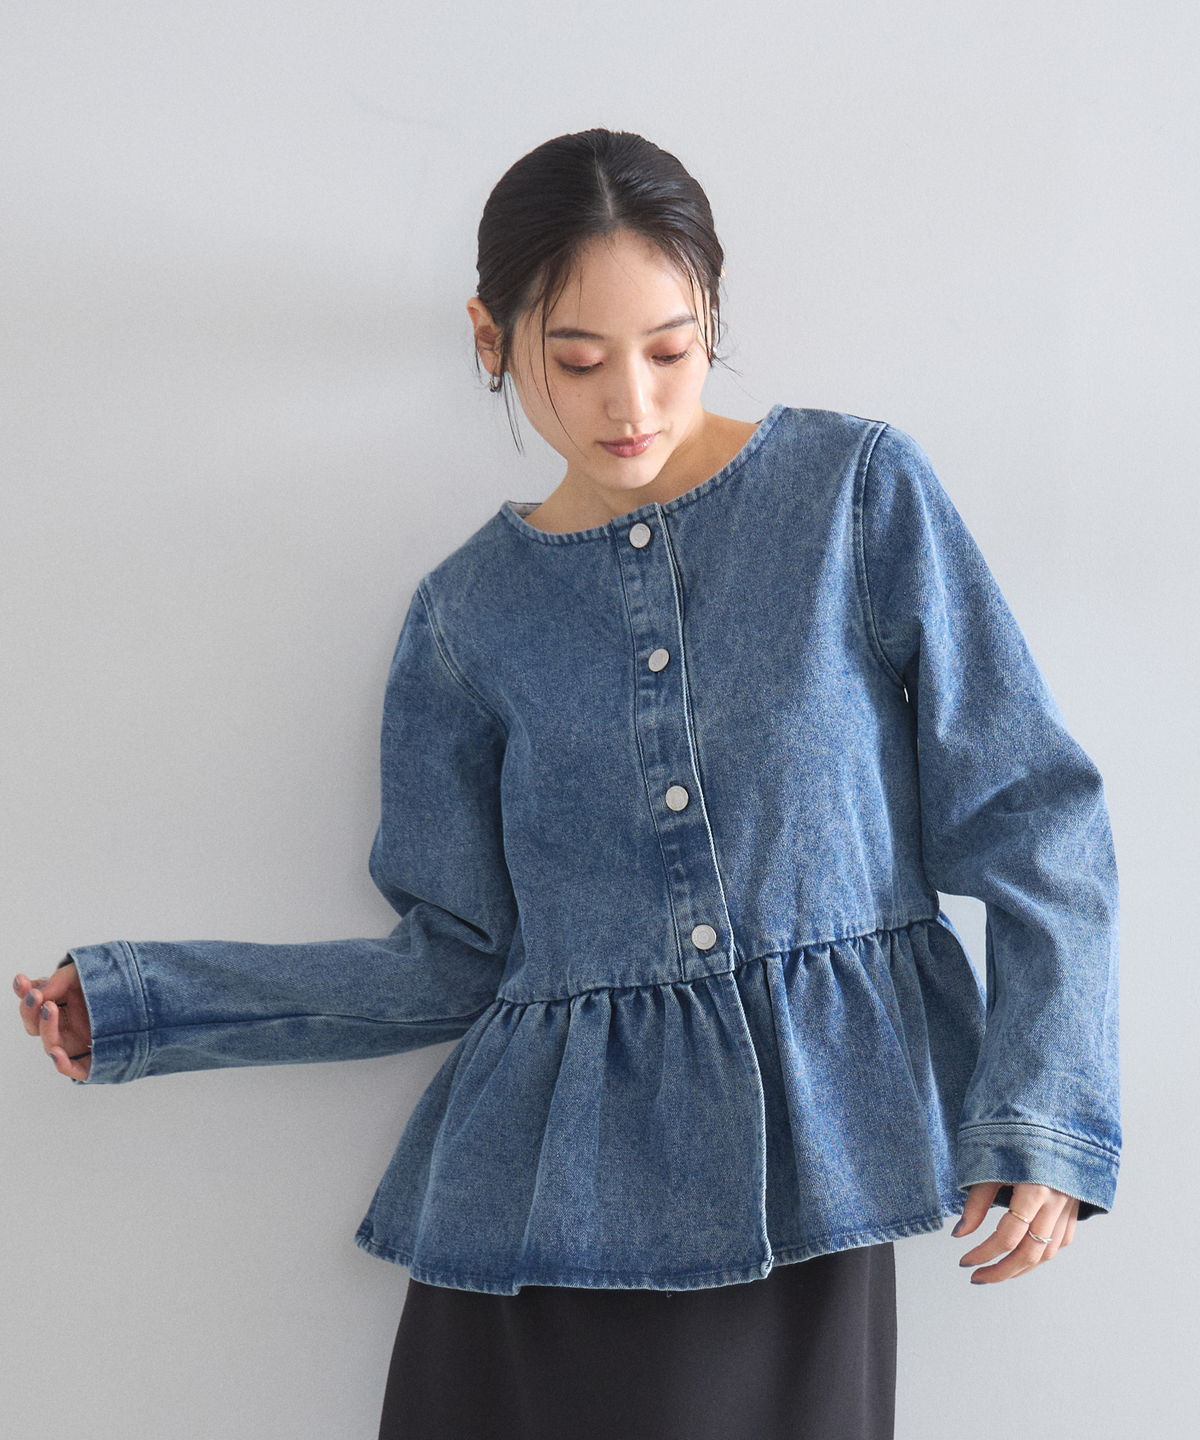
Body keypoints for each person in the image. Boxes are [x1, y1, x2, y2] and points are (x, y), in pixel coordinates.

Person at [14, 127, 1121, 1440]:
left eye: (672, 350)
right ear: (492, 340)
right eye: (579, 360)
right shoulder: (468, 616)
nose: (630, 403)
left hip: (810, 1191)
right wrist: (146, 1003)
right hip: (529, 1225)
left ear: (713, 323)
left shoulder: (853, 498)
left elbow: (1029, 811)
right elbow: (450, 962)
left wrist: (1044, 1109)